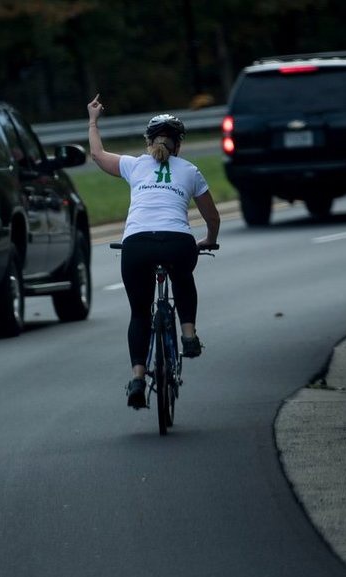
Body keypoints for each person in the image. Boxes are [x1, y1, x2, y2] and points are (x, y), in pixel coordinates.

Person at [86, 94, 221, 410]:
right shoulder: (190, 170)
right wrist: (209, 239)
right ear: (179, 144)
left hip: (137, 244)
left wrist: (93, 120)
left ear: (148, 141)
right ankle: (188, 333)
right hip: (177, 242)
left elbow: (96, 154)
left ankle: (136, 377)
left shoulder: (134, 165)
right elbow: (212, 216)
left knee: (139, 312)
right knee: (183, 275)